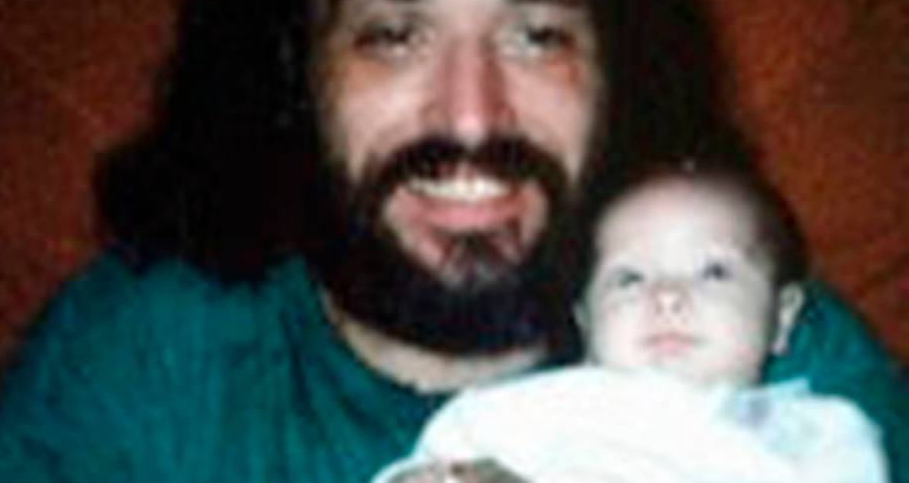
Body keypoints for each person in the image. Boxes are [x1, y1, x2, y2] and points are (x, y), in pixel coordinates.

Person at [0, 0, 907, 482]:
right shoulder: (150, 352)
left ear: (622, 67)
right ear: (292, 63)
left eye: (537, 34)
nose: (471, 116)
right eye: (394, 33)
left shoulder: (752, 339)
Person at [372, 167, 888, 482]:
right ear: (585, 319)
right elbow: (426, 469)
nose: (666, 296)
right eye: (629, 278)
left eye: (713, 272)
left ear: (782, 316)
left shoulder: (822, 434)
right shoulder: (527, 408)